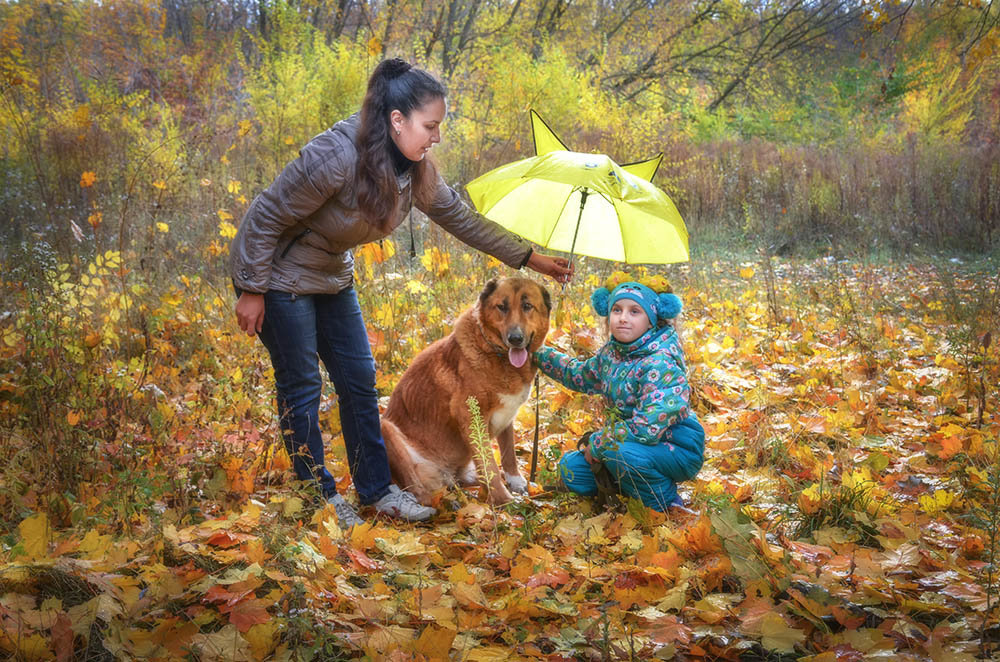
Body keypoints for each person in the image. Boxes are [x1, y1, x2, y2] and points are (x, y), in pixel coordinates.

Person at [230, 58, 572, 528]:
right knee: (303, 387)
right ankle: (318, 497)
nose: (437, 137)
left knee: (358, 378)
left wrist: (530, 258)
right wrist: (251, 288)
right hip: (280, 276)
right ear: (397, 120)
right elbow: (266, 214)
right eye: (430, 126)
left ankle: (377, 491)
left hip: (331, 274)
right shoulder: (335, 156)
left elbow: (461, 219)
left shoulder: (414, 169)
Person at [534, 274, 704, 512]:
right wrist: (537, 352)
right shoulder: (612, 354)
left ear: (652, 320)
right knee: (570, 470)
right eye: (617, 310)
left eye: (635, 311)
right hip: (627, 444)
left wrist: (599, 442)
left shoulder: (660, 362)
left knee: (621, 455)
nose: (623, 318)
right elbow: (580, 375)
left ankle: (666, 504)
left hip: (676, 447)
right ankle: (629, 486)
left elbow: (646, 426)